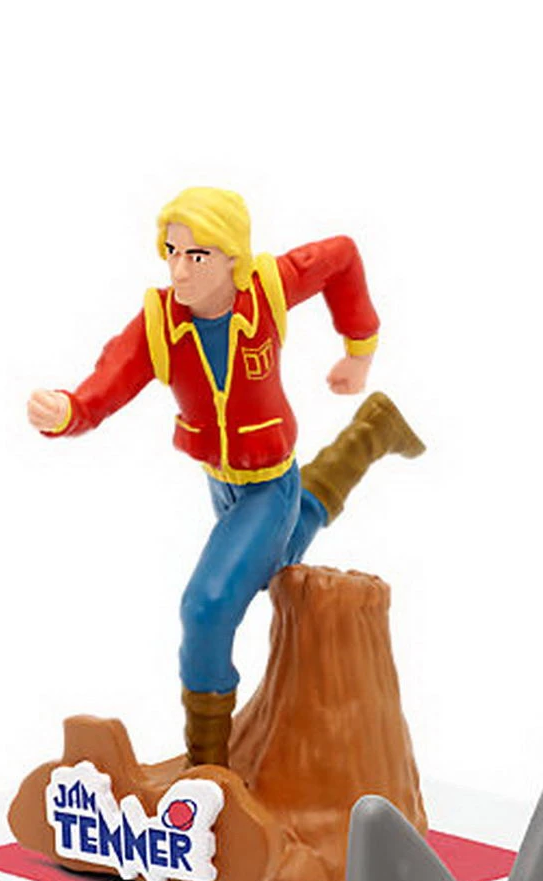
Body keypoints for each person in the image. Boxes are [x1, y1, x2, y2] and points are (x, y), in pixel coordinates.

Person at [27, 186, 423, 767]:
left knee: (208, 606)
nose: (179, 271)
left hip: (269, 482)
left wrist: (359, 349)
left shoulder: (267, 290)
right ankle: (372, 432)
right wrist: (70, 411)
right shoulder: (162, 323)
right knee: (273, 564)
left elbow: (340, 255)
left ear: (232, 256)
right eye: (171, 252)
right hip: (220, 481)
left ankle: (208, 766)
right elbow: (112, 377)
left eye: (197, 256)